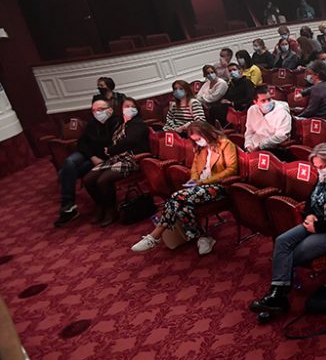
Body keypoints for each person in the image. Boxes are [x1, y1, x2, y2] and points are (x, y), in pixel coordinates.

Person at [249, 142, 326, 314]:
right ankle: (278, 296)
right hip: (315, 222)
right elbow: (311, 199)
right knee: (282, 242)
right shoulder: (325, 178)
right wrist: (310, 214)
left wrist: (317, 226)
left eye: (322, 167)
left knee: (292, 255)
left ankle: (278, 296)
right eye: (316, 167)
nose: (319, 171)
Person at [130, 121, 238, 256]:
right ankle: (202, 237)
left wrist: (204, 181)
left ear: (207, 133)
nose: (198, 142)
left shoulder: (226, 145)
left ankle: (154, 236)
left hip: (220, 186)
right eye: (194, 140)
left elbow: (231, 170)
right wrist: (193, 180)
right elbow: (195, 168)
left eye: (199, 139)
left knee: (176, 197)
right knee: (181, 204)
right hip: (200, 186)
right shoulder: (199, 148)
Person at [81, 97, 150, 226]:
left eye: (131, 106)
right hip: (115, 159)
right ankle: (100, 205)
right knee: (88, 179)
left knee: (103, 180)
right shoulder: (121, 124)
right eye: (125, 106)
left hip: (132, 160)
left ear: (137, 109)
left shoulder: (138, 124)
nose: (129, 109)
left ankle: (111, 210)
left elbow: (131, 141)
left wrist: (111, 149)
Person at [53, 99, 116, 226]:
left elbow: (110, 144)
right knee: (69, 162)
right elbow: (82, 142)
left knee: (64, 173)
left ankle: (103, 205)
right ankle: (68, 204)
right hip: (90, 155)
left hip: (104, 158)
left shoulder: (117, 122)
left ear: (109, 110)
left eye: (100, 110)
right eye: (93, 110)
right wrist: (92, 156)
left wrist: (96, 156)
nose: (96, 113)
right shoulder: (92, 124)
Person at [244, 86, 292, 152]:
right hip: (253, 146)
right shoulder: (252, 110)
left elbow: (282, 136)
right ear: (255, 102)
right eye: (263, 101)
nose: (267, 103)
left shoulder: (282, 112)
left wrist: (261, 146)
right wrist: (248, 145)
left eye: (269, 99)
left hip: (273, 147)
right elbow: (249, 131)